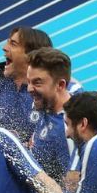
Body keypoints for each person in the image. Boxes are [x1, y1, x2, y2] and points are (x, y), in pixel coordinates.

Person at [25, 48, 74, 183]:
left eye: (37, 82)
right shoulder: (44, 104)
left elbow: (71, 187)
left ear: (60, 85)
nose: (29, 89)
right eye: (28, 81)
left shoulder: (69, 128)